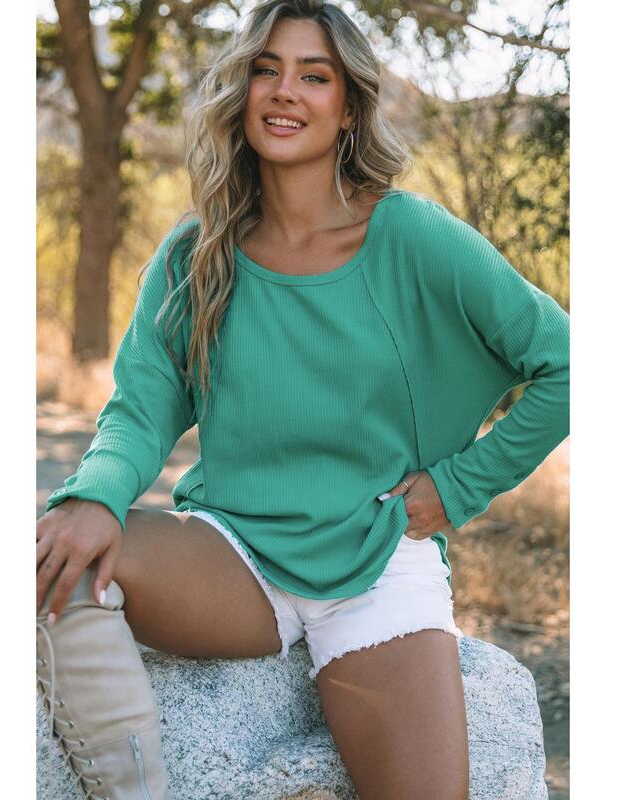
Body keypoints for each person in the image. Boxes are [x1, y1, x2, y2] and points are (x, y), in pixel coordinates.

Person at [36, 1, 570, 799]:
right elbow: (142, 409)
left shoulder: (409, 236)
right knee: (58, 561)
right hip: (234, 555)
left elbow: (568, 364)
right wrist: (95, 497)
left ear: (348, 107)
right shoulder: (196, 253)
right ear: (243, 91)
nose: (285, 91)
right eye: (266, 70)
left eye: (314, 77)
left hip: (377, 561)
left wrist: (459, 486)